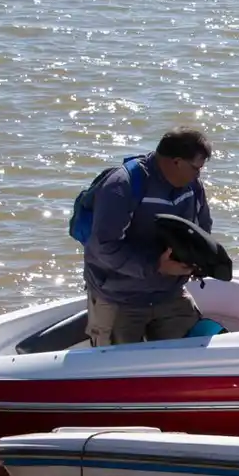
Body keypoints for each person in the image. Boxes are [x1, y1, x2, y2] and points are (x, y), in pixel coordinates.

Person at [83, 127, 213, 346]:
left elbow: (202, 229)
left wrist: (198, 259)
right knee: (118, 372)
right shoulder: (121, 186)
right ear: (176, 162)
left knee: (189, 357)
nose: (198, 175)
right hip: (120, 297)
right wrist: (156, 266)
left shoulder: (193, 187)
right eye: (196, 168)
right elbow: (104, 247)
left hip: (169, 293)